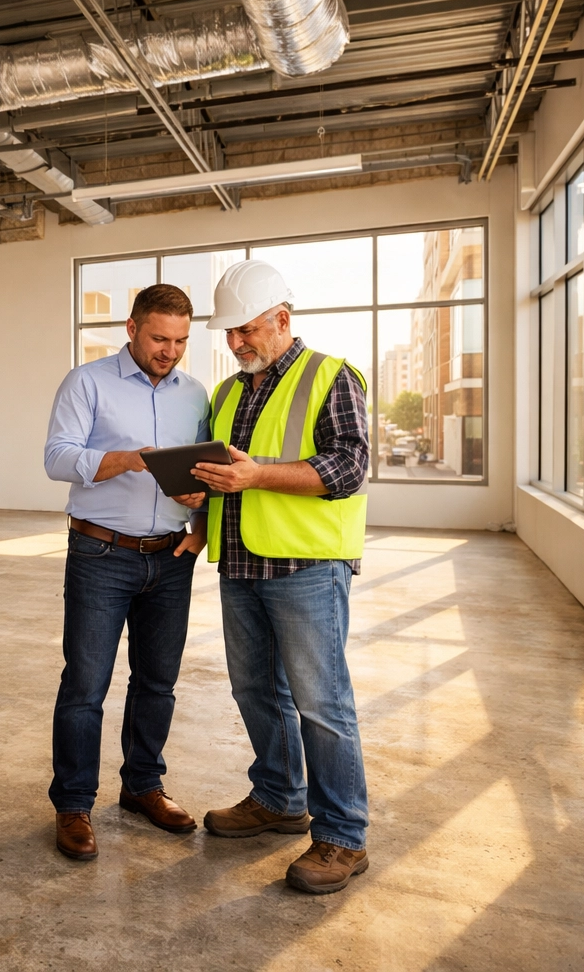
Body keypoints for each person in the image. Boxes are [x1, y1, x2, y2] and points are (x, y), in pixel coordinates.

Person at [186, 259, 372, 895]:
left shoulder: (332, 377)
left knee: (322, 704)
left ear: (281, 320)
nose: (236, 343)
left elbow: (347, 468)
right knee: (254, 691)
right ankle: (279, 798)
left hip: (306, 567)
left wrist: (256, 475)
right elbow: (226, 472)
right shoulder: (229, 392)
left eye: (245, 330)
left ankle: (343, 836)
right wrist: (199, 497)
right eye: (229, 334)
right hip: (240, 562)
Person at [42, 284, 210, 861]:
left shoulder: (197, 394)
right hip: (100, 555)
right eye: (160, 338)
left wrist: (199, 516)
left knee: (157, 682)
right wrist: (134, 458)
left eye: (182, 341)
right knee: (86, 686)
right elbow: (57, 458)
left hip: (171, 557)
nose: (170, 351)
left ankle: (143, 787)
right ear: (132, 329)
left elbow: (207, 471)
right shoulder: (86, 382)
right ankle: (73, 804)